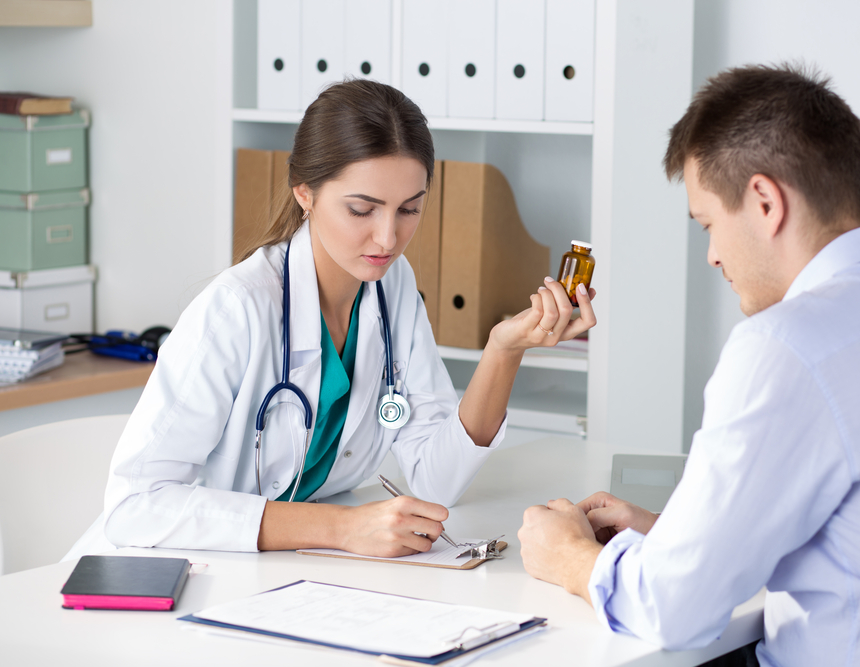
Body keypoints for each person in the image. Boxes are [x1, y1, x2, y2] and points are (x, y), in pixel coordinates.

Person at [517, 64, 860, 667]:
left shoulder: (789, 344)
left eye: (709, 225)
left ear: (766, 202)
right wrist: (675, 532)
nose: (715, 256)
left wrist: (569, 556)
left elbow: (674, 610)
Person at [67, 79, 596, 559]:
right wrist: (340, 528)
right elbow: (135, 507)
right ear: (306, 194)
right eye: (362, 210)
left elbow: (435, 482)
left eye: (409, 209)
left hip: (284, 578)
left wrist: (503, 351)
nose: (388, 239)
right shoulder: (236, 310)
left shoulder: (392, 286)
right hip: (171, 576)